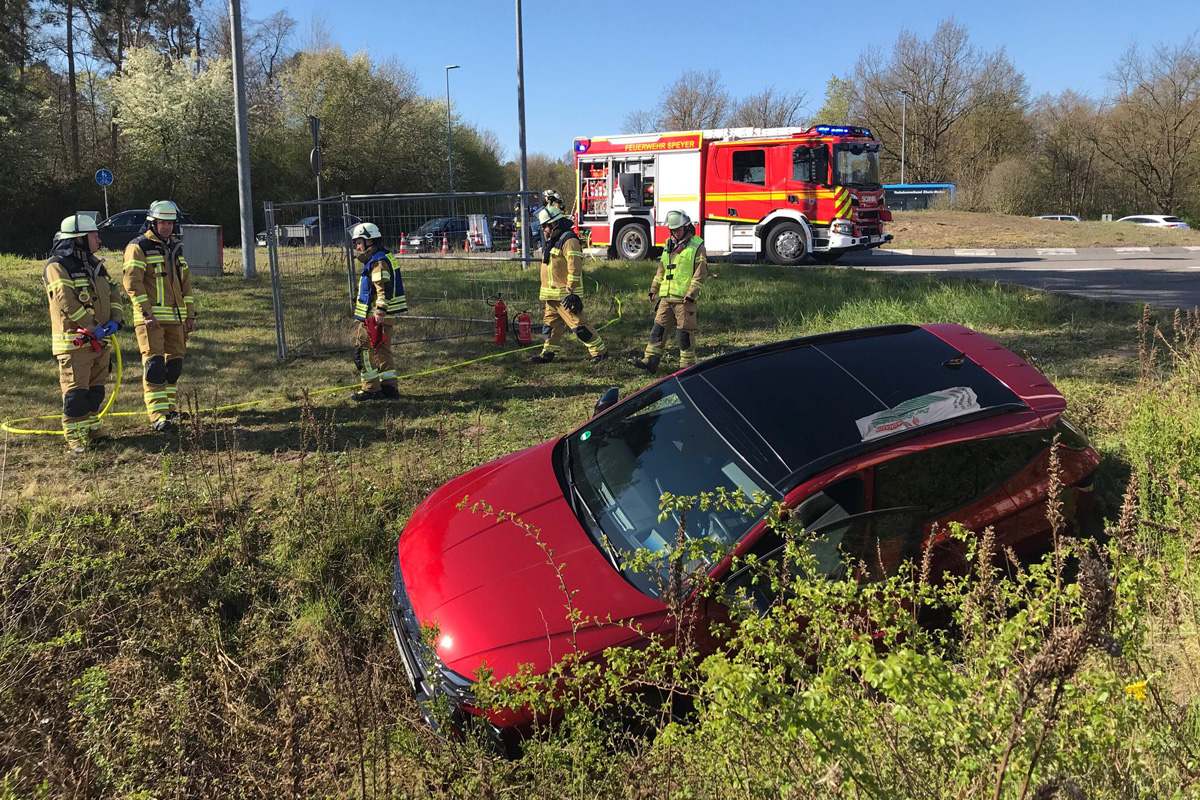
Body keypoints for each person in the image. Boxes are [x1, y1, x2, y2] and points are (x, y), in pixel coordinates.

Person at [44, 215, 125, 453]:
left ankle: (92, 429)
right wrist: (92, 326)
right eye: (94, 236)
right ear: (79, 238)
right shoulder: (57, 266)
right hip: (75, 344)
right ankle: (76, 437)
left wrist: (115, 321)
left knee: (96, 390)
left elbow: (114, 295)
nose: (99, 240)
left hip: (100, 341)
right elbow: (66, 301)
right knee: (76, 392)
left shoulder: (96, 265)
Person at [122, 200, 196, 432]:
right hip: (150, 319)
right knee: (154, 365)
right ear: (152, 223)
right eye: (162, 223)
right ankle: (157, 415)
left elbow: (186, 285)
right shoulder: (138, 246)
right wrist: (145, 312)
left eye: (170, 223)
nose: (166, 227)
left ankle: (169, 409)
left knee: (174, 366)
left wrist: (190, 316)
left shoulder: (176, 247)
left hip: (176, 319)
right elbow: (132, 283)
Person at [529, 206, 608, 365]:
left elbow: (574, 267)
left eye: (545, 225)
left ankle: (600, 353)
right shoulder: (553, 240)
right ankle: (548, 353)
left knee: (579, 327)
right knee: (550, 327)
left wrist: (571, 291)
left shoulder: (569, 239)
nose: (543, 229)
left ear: (555, 224)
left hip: (565, 295)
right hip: (552, 296)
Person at [632, 210, 707, 373]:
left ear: (687, 228)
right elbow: (661, 270)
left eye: (677, 230)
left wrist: (691, 295)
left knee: (684, 334)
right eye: (672, 230)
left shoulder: (697, 245)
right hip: (665, 298)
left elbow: (700, 273)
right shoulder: (668, 244)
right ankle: (650, 362)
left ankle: (686, 367)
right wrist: (654, 290)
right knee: (657, 329)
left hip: (683, 300)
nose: (674, 233)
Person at [349, 222, 407, 401]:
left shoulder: (377, 261)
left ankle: (371, 389)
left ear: (369, 241)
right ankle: (389, 388)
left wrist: (379, 311)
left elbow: (382, 288)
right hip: (383, 315)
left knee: (364, 352)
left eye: (359, 242)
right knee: (383, 350)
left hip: (374, 316)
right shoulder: (384, 256)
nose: (357, 247)